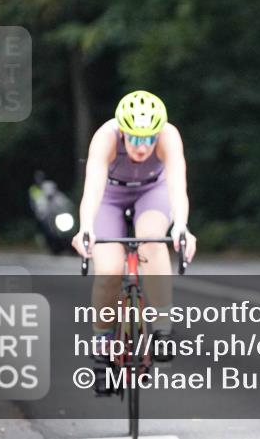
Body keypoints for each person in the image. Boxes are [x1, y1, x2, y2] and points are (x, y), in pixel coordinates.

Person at [71, 90, 197, 361]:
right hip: (110, 196)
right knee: (109, 271)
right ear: (123, 132)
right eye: (136, 139)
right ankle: (103, 337)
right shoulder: (106, 137)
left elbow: (177, 186)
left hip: (153, 191)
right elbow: (92, 189)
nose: (142, 147)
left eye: (150, 139)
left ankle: (163, 329)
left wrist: (181, 226)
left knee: (151, 240)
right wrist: (85, 228)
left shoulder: (169, 136)